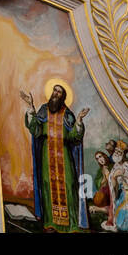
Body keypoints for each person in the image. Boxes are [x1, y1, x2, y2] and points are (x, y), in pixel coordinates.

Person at [21, 84, 89, 231]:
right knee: (47, 185)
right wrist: (31, 106)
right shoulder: (44, 111)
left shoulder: (68, 114)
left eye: (59, 92)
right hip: (47, 156)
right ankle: (50, 223)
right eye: (55, 90)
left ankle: (72, 226)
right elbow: (36, 130)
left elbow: (73, 137)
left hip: (64, 156)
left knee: (69, 185)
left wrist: (78, 121)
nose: (56, 94)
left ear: (63, 96)